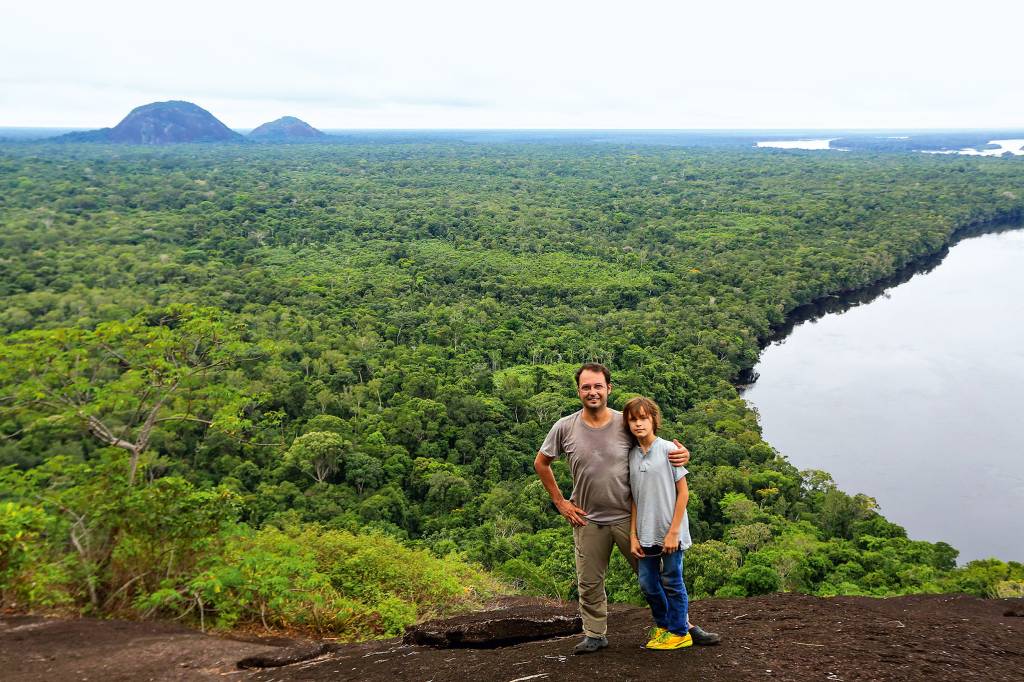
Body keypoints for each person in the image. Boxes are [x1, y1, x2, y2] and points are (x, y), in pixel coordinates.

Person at [534, 363, 720, 654]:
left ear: (609, 388)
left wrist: (683, 453)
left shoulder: (625, 423)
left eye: (598, 386)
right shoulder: (565, 427)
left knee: (656, 577)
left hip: (629, 518)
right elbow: (541, 463)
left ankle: (681, 626)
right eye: (586, 387)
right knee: (589, 580)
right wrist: (560, 502)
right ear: (578, 391)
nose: (592, 392)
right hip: (587, 518)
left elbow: (655, 447)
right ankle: (595, 634)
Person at [624, 396, 693, 650]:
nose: (639, 424)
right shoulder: (631, 455)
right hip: (645, 531)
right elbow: (634, 498)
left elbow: (683, 493)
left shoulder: (668, 450)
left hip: (670, 530)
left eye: (643, 418)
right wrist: (633, 535)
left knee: (672, 580)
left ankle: (680, 631)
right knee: (648, 583)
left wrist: (674, 532)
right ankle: (664, 626)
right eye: (633, 420)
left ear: (654, 419)